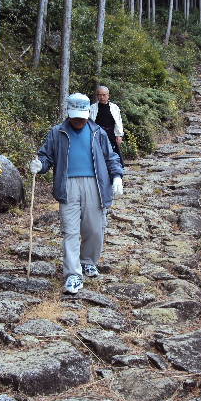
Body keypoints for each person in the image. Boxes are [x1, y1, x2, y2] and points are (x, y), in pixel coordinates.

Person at [29, 93, 124, 294]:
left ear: (88, 113)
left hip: (96, 184)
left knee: (95, 229)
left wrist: (117, 176)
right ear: (68, 114)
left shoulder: (98, 132)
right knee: (70, 231)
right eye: (75, 117)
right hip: (67, 186)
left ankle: (88, 260)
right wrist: (40, 165)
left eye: (82, 116)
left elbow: (111, 157)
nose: (79, 121)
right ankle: (73, 273)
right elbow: (46, 156)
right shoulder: (57, 132)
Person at [89, 86, 125, 167]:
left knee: (113, 155)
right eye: (99, 95)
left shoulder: (114, 107)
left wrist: (119, 135)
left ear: (108, 95)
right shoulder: (92, 108)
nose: (101, 97)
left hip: (111, 135)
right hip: (97, 135)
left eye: (104, 95)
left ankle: (116, 172)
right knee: (98, 155)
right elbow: (90, 123)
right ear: (97, 96)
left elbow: (118, 122)